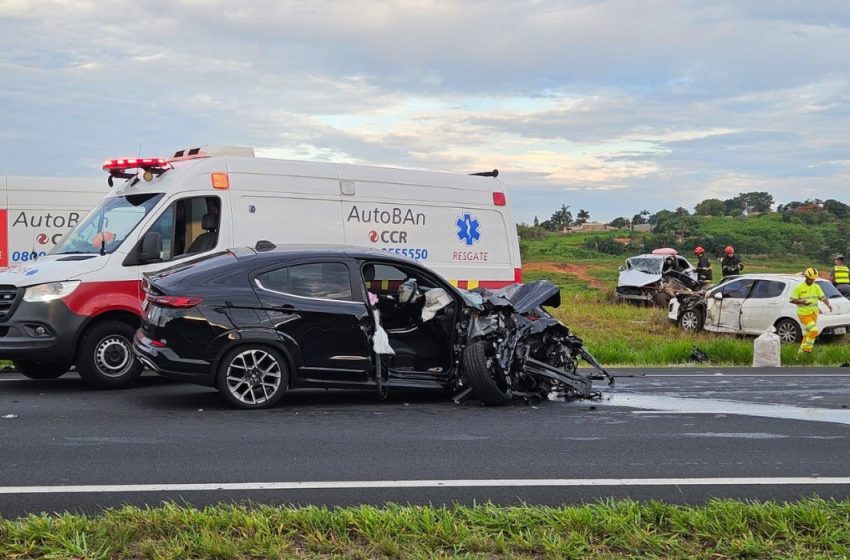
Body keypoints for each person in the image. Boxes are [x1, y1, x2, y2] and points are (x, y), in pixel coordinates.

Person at [790, 268, 833, 353]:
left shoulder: (816, 287)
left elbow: (822, 297)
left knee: (807, 334)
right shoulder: (799, 287)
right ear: (806, 277)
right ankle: (807, 349)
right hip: (804, 314)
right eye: (810, 279)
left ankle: (800, 354)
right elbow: (792, 300)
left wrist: (828, 304)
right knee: (814, 330)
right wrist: (802, 302)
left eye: (813, 279)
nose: (812, 281)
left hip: (814, 313)